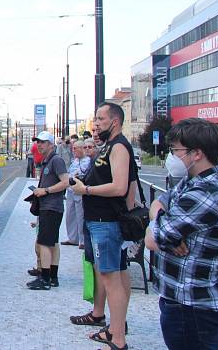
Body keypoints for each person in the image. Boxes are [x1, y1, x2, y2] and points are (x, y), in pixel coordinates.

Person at [145, 118, 218, 350]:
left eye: (175, 150)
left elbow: (151, 238)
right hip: (181, 300)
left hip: (193, 307)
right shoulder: (192, 182)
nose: (172, 156)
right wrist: (160, 216)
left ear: (196, 153)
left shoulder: (204, 194)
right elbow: (160, 202)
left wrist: (158, 224)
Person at [71, 102, 135, 350]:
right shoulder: (110, 146)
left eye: (100, 119)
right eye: (95, 119)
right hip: (103, 221)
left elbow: (121, 187)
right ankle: (116, 328)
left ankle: (117, 338)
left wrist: (85, 189)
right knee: (116, 274)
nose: (95, 124)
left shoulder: (119, 147)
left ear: (115, 121)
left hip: (106, 222)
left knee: (111, 279)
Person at [26, 131, 69, 290]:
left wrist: (46, 191)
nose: (39, 145)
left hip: (51, 206)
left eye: (43, 142)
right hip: (49, 206)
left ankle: (45, 278)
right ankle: (52, 276)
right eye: (38, 142)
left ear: (51, 144)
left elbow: (66, 182)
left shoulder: (56, 160)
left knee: (44, 243)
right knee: (52, 242)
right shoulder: (47, 161)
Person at [62, 139, 90, 248]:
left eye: (75, 148)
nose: (73, 150)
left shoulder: (87, 161)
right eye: (72, 148)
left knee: (80, 215)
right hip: (70, 190)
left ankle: (82, 240)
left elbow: (83, 173)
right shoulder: (75, 161)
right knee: (70, 214)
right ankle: (72, 238)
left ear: (82, 148)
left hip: (79, 190)